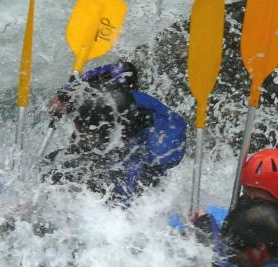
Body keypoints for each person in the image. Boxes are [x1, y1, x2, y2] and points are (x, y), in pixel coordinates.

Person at [45, 63, 186, 206]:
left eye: (84, 132)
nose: (78, 136)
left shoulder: (148, 155)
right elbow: (123, 68)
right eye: (78, 125)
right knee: (52, 165)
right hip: (115, 135)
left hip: (145, 163)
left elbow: (121, 206)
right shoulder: (119, 96)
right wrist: (65, 94)